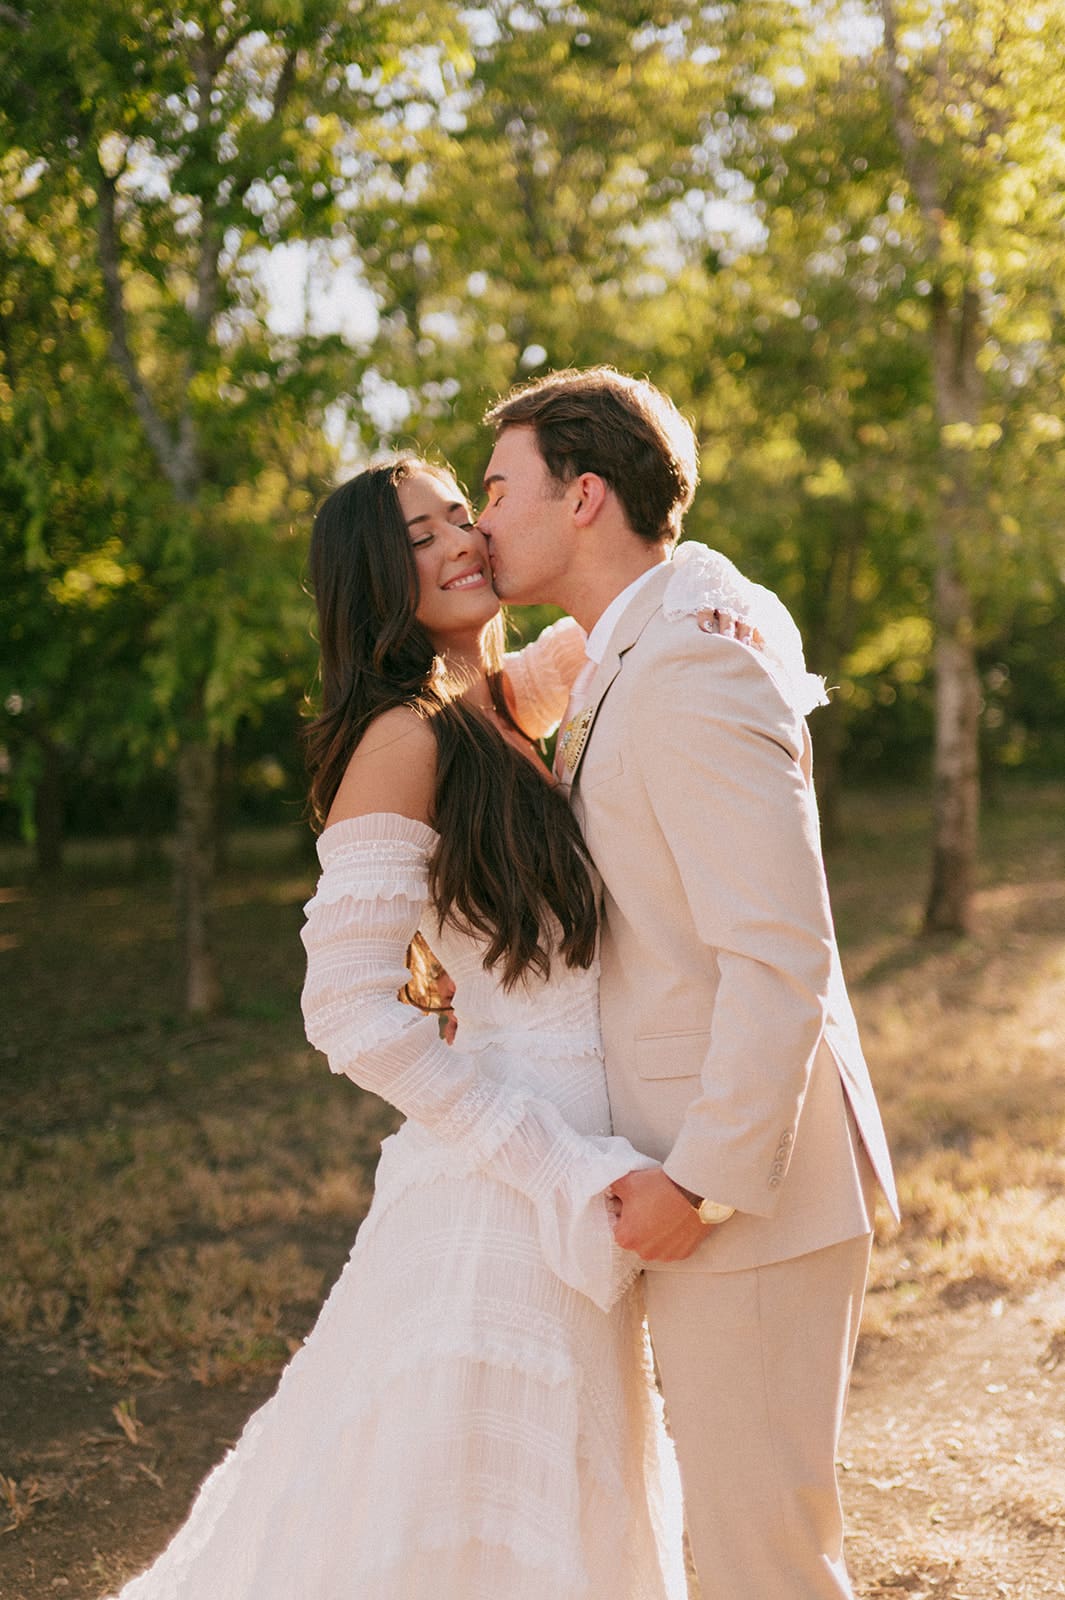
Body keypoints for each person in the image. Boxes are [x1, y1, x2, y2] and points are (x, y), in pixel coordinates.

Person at [105, 455, 689, 1600]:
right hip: (503, 1197)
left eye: (465, 516)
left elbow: (643, 579)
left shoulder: (515, 702)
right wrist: (557, 1163)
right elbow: (347, 1011)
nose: (463, 541)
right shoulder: (403, 739)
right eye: (421, 534)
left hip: (592, 1186)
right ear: (377, 573)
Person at [478, 366, 900, 1600]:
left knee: (768, 1565)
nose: (481, 517)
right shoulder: (644, 643)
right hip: (682, 1176)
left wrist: (704, 1187)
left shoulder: (694, 667)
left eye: (499, 489)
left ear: (587, 496)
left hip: (748, 1195)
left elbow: (781, 959)